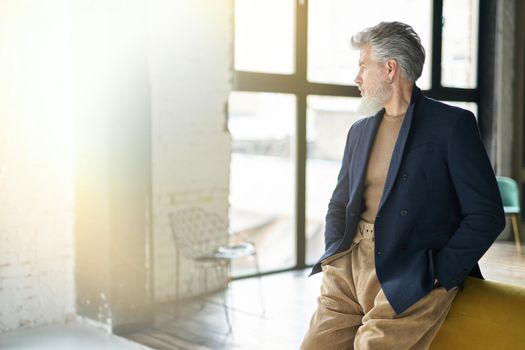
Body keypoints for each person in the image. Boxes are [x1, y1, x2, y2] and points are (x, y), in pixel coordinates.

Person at [300, 21, 505, 350]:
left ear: (390, 69)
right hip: (350, 263)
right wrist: (335, 258)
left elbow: (487, 214)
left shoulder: (452, 125)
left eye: (363, 67)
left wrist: (440, 273)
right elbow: (340, 203)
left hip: (414, 267)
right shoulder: (359, 131)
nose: (357, 78)